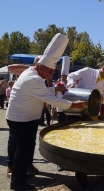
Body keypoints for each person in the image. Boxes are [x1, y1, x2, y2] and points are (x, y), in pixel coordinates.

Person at [6, 33, 85, 190]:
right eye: (49, 72)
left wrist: (55, 88)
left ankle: (20, 173)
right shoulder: (33, 79)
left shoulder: (33, 73)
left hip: (26, 118)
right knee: (22, 150)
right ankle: (16, 181)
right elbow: (51, 99)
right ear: (41, 67)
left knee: (26, 149)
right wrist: (74, 105)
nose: (50, 75)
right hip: (20, 119)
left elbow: (43, 91)